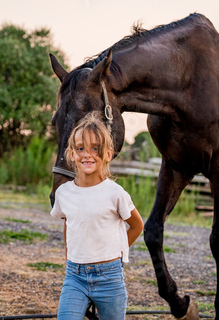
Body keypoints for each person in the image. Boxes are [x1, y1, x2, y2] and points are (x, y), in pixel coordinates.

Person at [51, 112, 144, 320]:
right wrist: (69, 257)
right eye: (80, 148)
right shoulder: (64, 193)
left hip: (109, 277)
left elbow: (137, 225)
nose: (87, 155)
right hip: (74, 276)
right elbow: (69, 223)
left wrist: (117, 253)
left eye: (95, 149)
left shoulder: (115, 193)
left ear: (108, 154)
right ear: (72, 153)